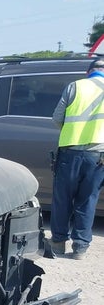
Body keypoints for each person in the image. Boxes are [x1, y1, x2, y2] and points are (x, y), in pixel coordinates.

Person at [49, 58, 104, 259]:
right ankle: (80, 248)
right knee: (87, 201)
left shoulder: (75, 86)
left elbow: (57, 119)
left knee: (62, 199)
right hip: (99, 157)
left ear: (89, 72)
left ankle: (58, 243)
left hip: (70, 152)